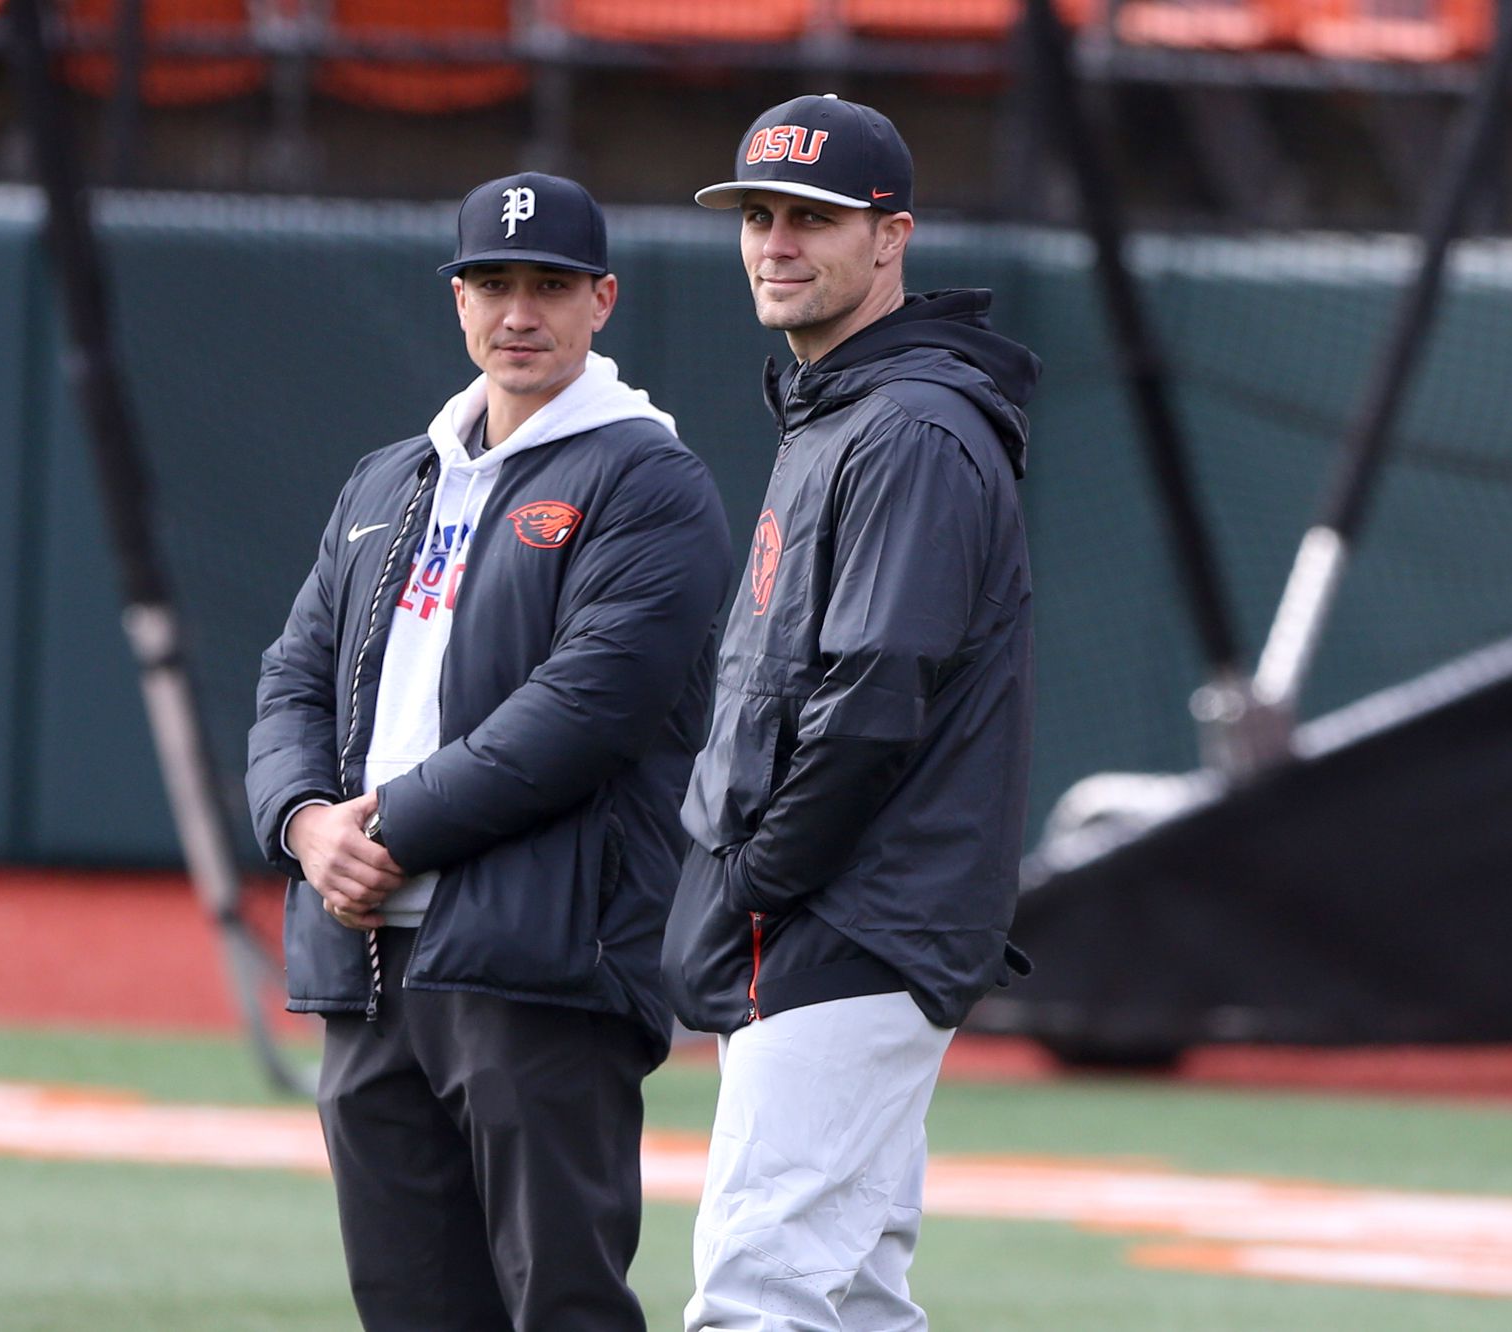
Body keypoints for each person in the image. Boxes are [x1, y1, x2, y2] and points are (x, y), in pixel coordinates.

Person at [246, 171, 732, 1332]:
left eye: (549, 287)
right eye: (492, 284)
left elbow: (586, 710)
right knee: (410, 1306)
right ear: (458, 300)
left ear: (602, 300)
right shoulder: (387, 479)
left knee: (559, 1301)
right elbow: (292, 677)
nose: (519, 312)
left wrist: (384, 829)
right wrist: (304, 825)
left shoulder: (649, 479)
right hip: (366, 960)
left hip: (543, 955)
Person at [662, 94, 1041, 1331]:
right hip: (850, 919)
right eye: (758, 215)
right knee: (856, 1296)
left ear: (890, 237)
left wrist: (759, 883)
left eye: (813, 219)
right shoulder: (847, 406)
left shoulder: (910, 427)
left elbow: (873, 702)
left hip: (846, 919)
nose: (775, 242)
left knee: (760, 1292)